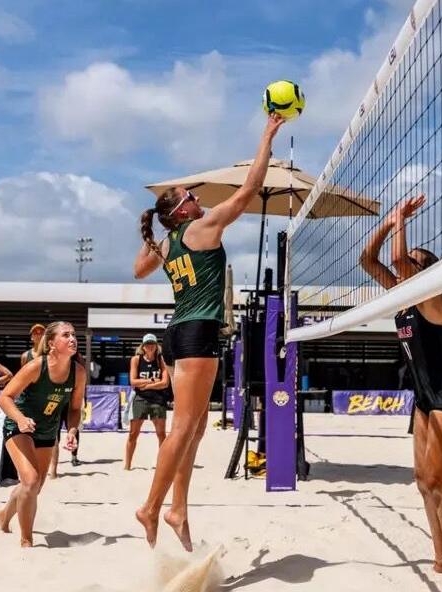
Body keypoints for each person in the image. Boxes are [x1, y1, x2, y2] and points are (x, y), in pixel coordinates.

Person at [132, 113, 284, 551]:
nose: (197, 197)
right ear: (182, 210)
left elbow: (138, 270)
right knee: (183, 429)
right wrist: (266, 137)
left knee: (195, 428)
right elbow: (249, 190)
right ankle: (151, 505)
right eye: (190, 196)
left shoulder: (170, 241)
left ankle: (177, 509)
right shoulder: (200, 228)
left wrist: (157, 233)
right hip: (197, 334)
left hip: (179, 333)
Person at [359, 193, 442, 580]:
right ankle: (440, 558)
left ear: (426, 272)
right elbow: (367, 261)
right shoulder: (403, 299)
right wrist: (389, 224)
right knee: (423, 484)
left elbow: (396, 261)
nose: (406, 265)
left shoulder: (432, 299)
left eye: (415, 261)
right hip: (424, 398)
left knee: (440, 483)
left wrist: (402, 221)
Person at [0, 321, 86, 548]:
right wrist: (21, 419)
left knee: (34, 486)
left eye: (74, 334)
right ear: (52, 344)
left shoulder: (79, 372)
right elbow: (4, 397)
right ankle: (27, 541)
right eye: (66, 335)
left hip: (47, 430)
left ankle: (4, 515)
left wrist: (72, 430)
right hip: (19, 427)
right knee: (31, 480)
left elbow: (75, 409)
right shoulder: (36, 366)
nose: (72, 338)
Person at [125, 334, 171, 471]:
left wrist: (147, 385)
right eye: (147, 344)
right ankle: (127, 465)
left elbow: (165, 383)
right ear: (143, 346)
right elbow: (133, 382)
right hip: (141, 399)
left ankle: (163, 465)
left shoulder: (161, 360)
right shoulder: (136, 360)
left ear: (157, 346)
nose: (149, 346)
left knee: (161, 434)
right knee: (133, 433)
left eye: (152, 344)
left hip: (158, 399)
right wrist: (152, 381)